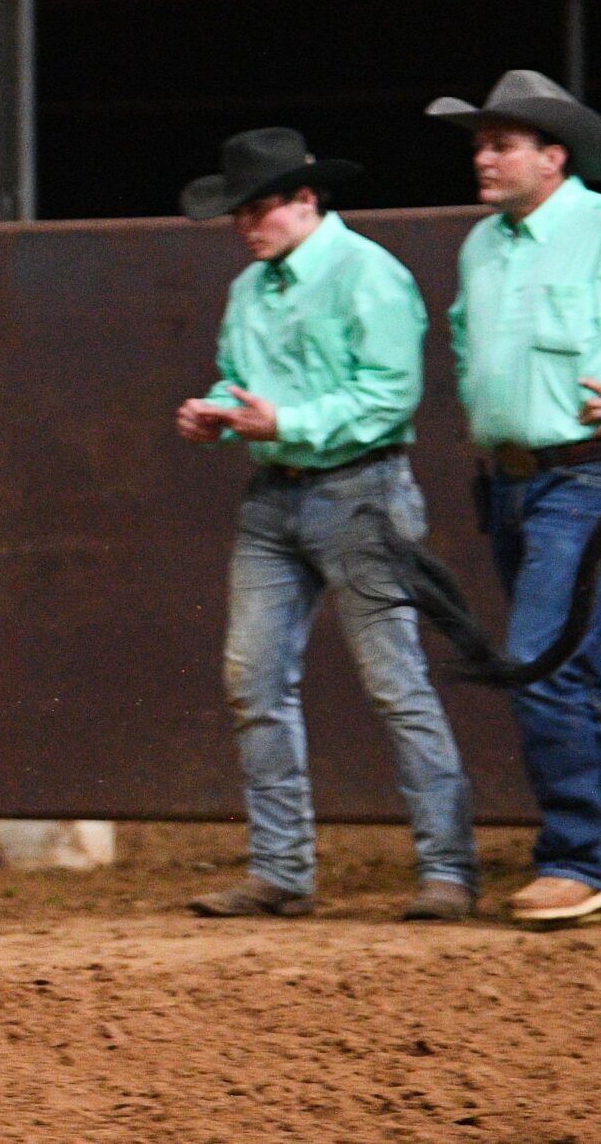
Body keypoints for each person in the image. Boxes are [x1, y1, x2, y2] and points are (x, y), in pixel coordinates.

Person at [173, 128, 474, 922]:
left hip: (360, 489)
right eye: (240, 213)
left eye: (259, 208)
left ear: (306, 200)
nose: (247, 225)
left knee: (393, 681)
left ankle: (447, 868)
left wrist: (280, 420)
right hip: (279, 490)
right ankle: (281, 867)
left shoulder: (367, 274)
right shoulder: (254, 288)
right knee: (254, 677)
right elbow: (248, 383)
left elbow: (388, 397)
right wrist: (223, 413)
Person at [431, 69, 601, 927]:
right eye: (480, 146)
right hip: (513, 481)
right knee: (580, 665)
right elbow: (467, 339)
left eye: (501, 145)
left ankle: (576, 857)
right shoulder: (483, 245)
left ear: (552, 155)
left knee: (538, 655)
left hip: (593, 472)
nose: (484, 161)